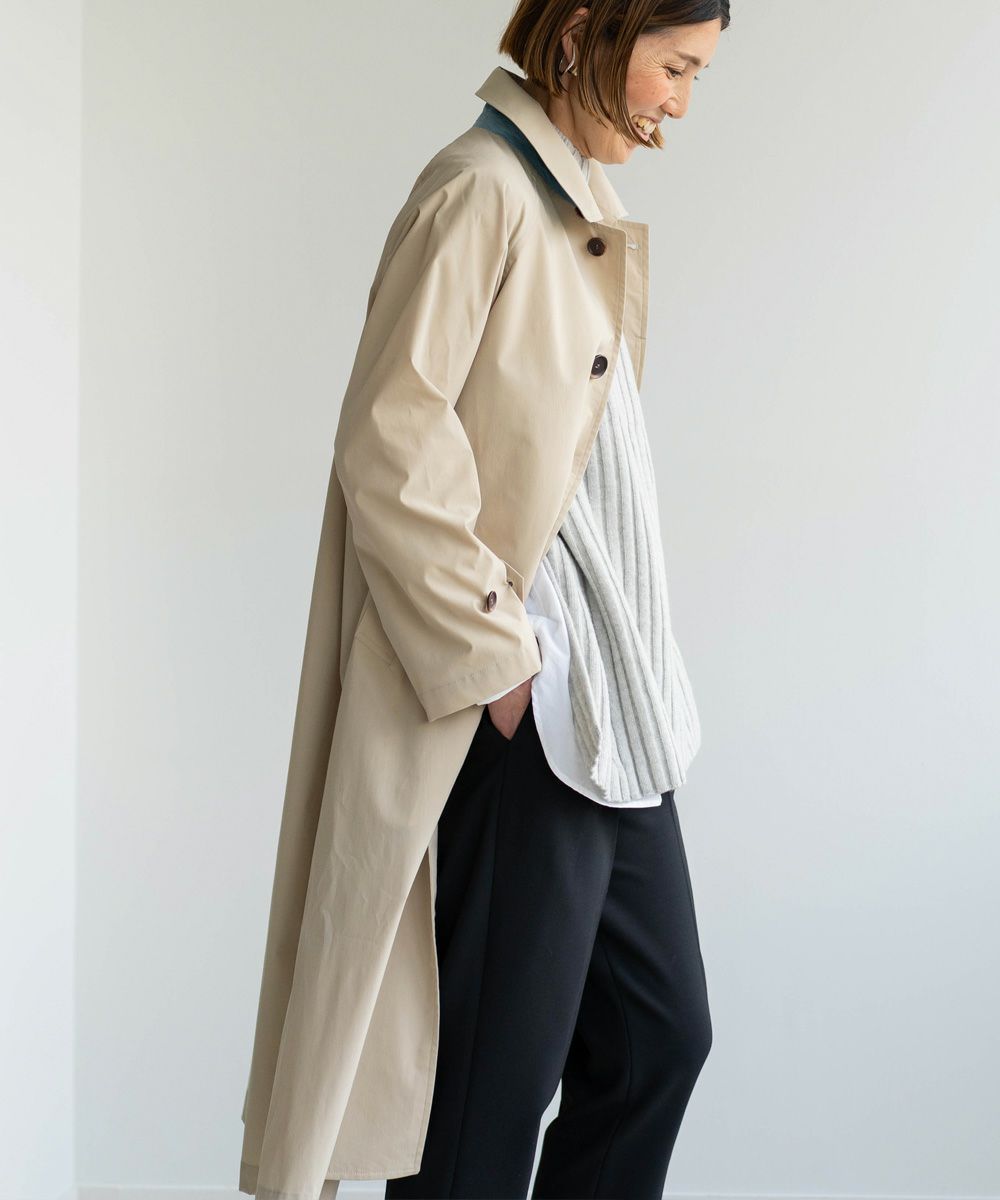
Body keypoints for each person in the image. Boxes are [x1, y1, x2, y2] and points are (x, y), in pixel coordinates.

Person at [238, 4, 729, 1199]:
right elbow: (389, 440)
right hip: (531, 717)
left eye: (696, 76)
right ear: (584, 33)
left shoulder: (575, 205)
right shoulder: (478, 192)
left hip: (613, 716)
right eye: (672, 67)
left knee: (657, 1040)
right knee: (483, 1103)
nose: (679, 104)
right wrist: (498, 664)